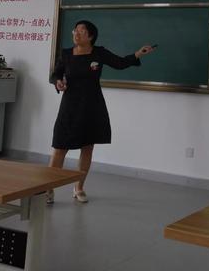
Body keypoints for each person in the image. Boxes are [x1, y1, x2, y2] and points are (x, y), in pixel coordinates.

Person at [47, 20, 154, 204]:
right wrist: (58, 82)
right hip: (70, 106)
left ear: (90, 36)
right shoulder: (66, 54)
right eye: (75, 30)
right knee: (60, 147)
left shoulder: (99, 53)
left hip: (92, 105)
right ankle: (48, 189)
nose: (76, 34)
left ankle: (79, 187)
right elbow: (55, 74)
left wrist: (138, 54)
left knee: (87, 147)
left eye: (81, 31)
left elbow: (120, 63)